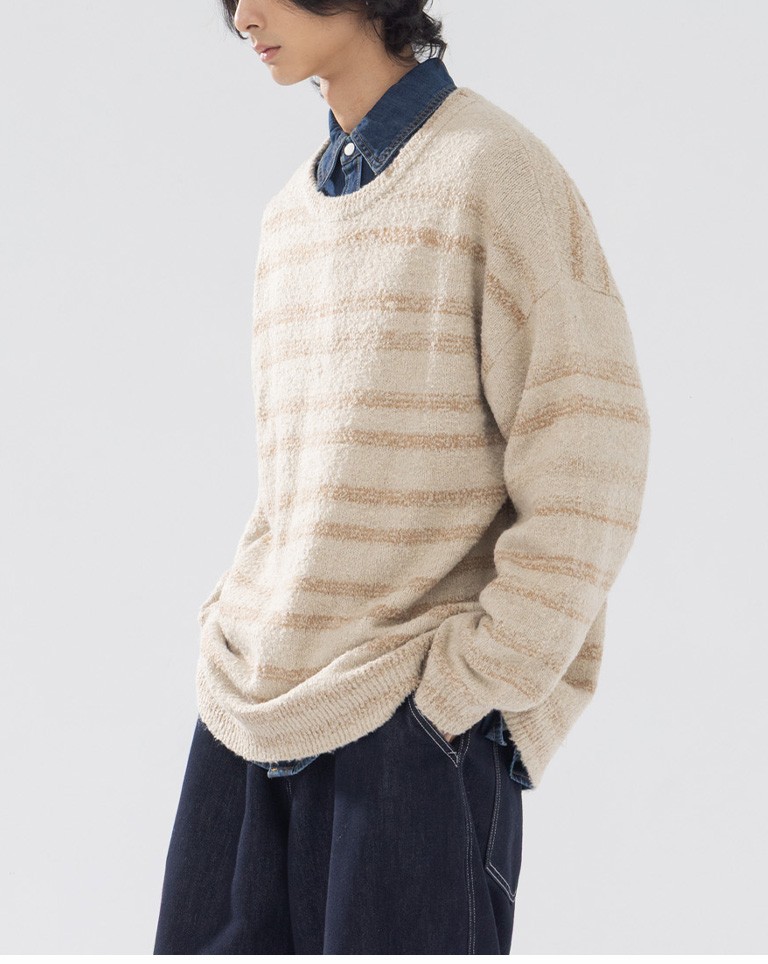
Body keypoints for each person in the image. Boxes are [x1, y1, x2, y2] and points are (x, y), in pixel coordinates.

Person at [153, 0, 651, 955]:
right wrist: (230, 621)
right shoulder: (289, 216)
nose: (242, 15)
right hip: (247, 711)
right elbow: (292, 483)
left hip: (408, 727)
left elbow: (594, 453)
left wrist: (470, 690)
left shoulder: (494, 171)